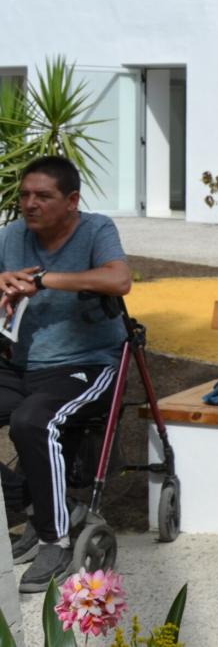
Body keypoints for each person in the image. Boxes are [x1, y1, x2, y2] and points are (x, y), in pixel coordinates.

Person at [0, 156, 132, 592]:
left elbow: (119, 280)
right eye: (24, 195)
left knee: (31, 421)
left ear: (72, 200)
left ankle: (54, 540)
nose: (30, 204)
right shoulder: (12, 235)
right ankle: (38, 505)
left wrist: (43, 280)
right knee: (26, 415)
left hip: (86, 365)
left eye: (43, 196)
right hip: (18, 364)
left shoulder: (95, 230)